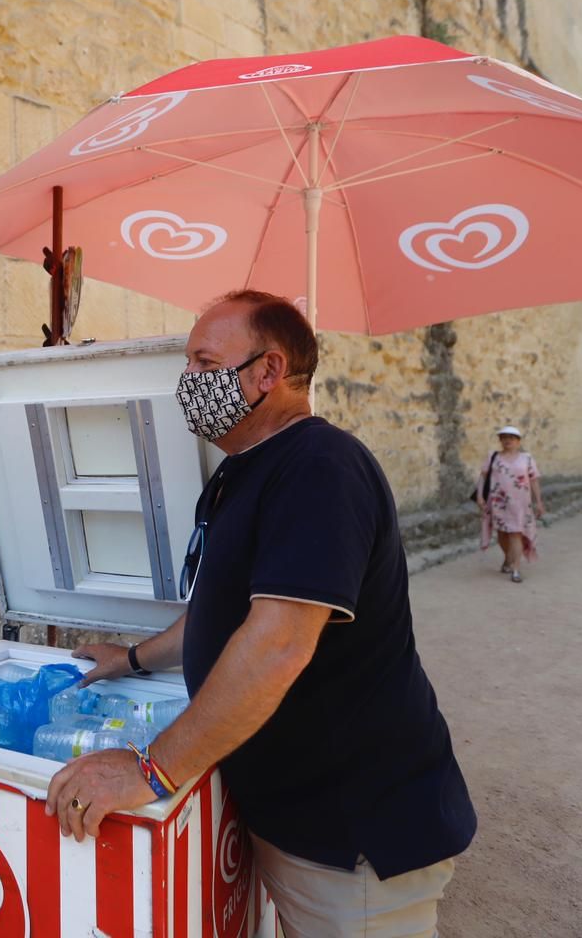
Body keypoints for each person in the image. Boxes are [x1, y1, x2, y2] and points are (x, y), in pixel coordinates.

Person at [46, 290, 475, 938]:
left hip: (352, 825)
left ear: (268, 372)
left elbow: (277, 645)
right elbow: (224, 614)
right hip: (294, 811)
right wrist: (130, 658)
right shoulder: (245, 470)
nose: (188, 380)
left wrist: (150, 768)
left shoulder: (320, 468)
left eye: (202, 361)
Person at [476, 425, 546, 583]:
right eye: (504, 437)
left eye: (511, 438)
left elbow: (534, 480)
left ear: (518, 441)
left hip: (520, 504)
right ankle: (508, 558)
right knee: (502, 534)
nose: (507, 440)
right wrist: (480, 496)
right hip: (497, 503)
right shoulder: (493, 456)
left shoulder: (526, 458)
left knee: (516, 533)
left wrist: (539, 502)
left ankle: (515, 568)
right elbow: (483, 477)